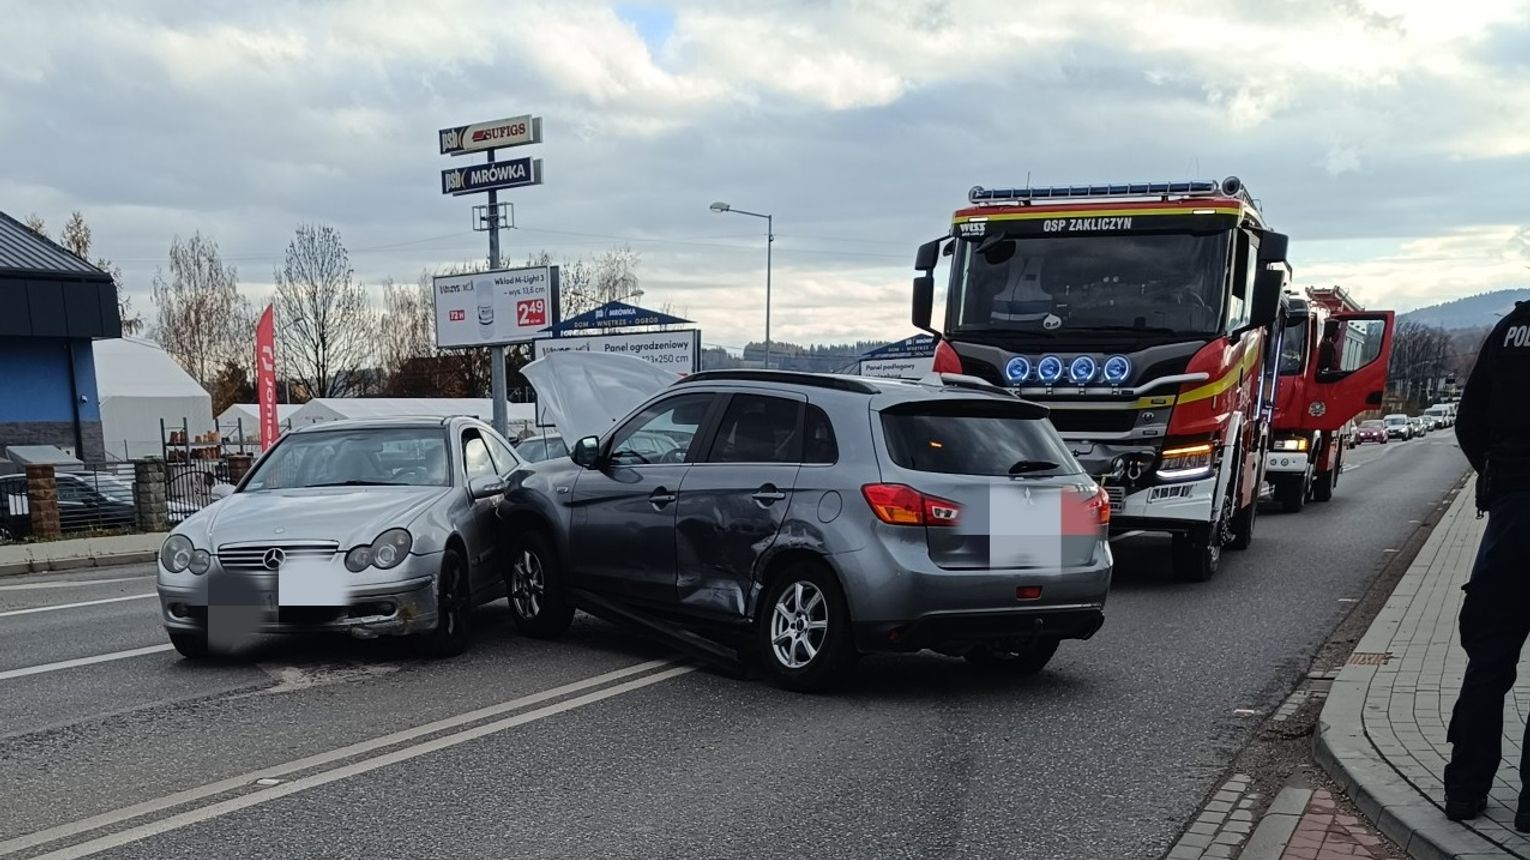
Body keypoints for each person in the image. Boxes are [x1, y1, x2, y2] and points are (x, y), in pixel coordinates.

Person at [1443, 300, 1530, 828]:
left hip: (1511, 516)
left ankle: (1465, 790)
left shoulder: (1511, 330)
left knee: (1489, 662)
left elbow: (1468, 419)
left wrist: (1498, 481)